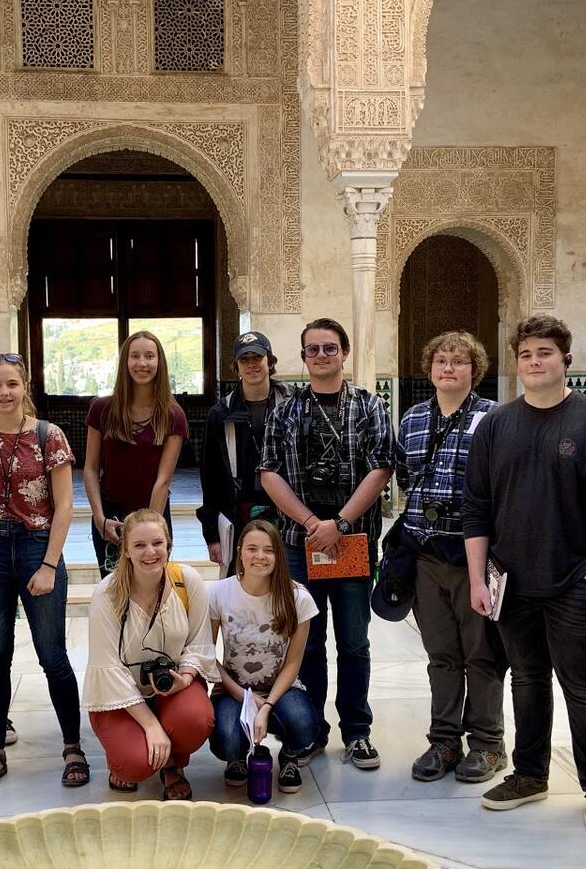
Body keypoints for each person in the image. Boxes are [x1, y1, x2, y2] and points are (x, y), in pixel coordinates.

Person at [464, 315, 586, 830]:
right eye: (525, 355)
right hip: (512, 583)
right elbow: (477, 506)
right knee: (528, 681)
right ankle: (530, 774)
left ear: (566, 360)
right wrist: (477, 579)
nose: (534, 362)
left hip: (577, 583)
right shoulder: (496, 426)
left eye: (544, 353)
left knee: (583, 685)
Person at [259, 318, 393, 770]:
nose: (321, 356)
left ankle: (357, 731)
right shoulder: (286, 408)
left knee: (354, 641)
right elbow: (269, 471)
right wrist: (314, 522)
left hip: (352, 541)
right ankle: (311, 729)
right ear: (302, 357)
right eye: (312, 349)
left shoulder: (369, 407)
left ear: (345, 353)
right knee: (308, 641)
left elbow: (381, 468)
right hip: (300, 542)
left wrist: (339, 522)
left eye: (329, 349)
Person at [0, 352, 87, 792]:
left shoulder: (48, 436)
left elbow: (66, 505)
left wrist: (50, 564)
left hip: (38, 545)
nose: (4, 392)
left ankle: (73, 746)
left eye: (11, 384)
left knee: (52, 654)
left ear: (24, 386)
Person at [393, 331, 506, 784]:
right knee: (441, 654)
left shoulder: (494, 418)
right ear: (430, 368)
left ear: (474, 370)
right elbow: (403, 476)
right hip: (425, 555)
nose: (449, 369)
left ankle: (487, 744)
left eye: (459, 362)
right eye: (441, 361)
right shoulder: (414, 418)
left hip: (473, 557)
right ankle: (443, 741)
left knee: (482, 654)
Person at [84, 510, 216, 800]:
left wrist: (186, 676)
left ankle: (173, 765)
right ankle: (132, 749)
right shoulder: (107, 594)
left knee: (196, 720)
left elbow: (199, 643)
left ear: (168, 545)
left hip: (171, 688)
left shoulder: (186, 581)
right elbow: (107, 668)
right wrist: (150, 724)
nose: (150, 552)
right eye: (140, 545)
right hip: (120, 698)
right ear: (127, 551)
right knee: (135, 764)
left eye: (157, 543)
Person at [207, 519, 320, 795]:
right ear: (240, 552)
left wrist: (266, 705)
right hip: (233, 688)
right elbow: (207, 655)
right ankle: (236, 758)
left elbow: (293, 662)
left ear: (278, 555)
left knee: (304, 726)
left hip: (280, 687)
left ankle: (290, 755)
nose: (260, 557)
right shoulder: (218, 593)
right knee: (227, 739)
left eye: (268, 550)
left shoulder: (298, 598)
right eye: (252, 549)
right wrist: (242, 697)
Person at [84, 331, 188, 577]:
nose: (142, 363)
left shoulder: (173, 415)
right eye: (135, 356)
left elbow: (163, 480)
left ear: (159, 362)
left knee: (150, 590)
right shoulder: (102, 409)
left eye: (150, 356)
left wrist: (149, 529)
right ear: (125, 362)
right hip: (111, 517)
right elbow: (90, 469)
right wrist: (99, 519)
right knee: (114, 592)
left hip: (154, 512)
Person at [197, 331, 289, 574]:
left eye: (257, 357)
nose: (251, 365)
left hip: (288, 514)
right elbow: (211, 476)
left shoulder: (293, 405)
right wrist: (211, 534)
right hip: (239, 515)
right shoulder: (221, 413)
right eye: (244, 359)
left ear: (269, 361)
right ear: (236, 367)